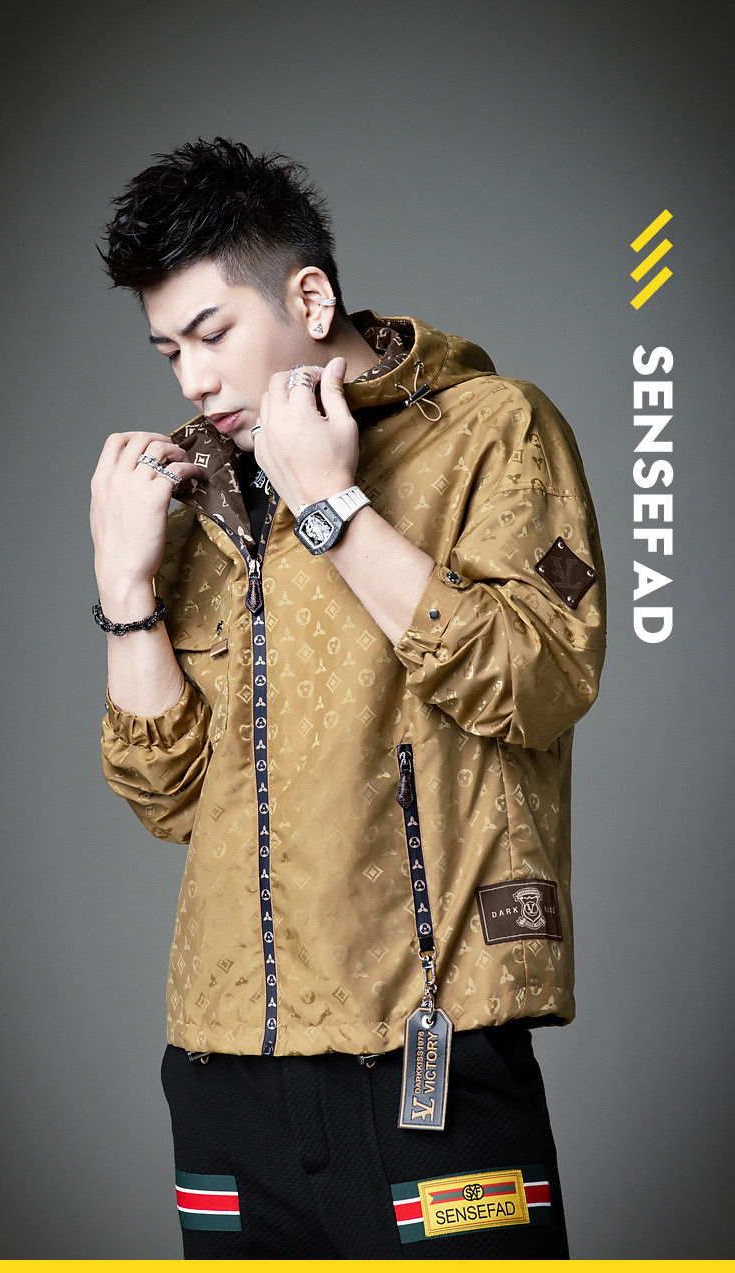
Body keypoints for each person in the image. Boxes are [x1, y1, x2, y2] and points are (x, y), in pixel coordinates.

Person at [91, 137, 605, 1259]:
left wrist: (331, 509)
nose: (191, 380)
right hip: (223, 1072)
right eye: (169, 349)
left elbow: (541, 677)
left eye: (212, 333)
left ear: (310, 298)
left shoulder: (492, 431)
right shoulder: (206, 495)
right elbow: (169, 793)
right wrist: (125, 591)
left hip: (430, 1054)